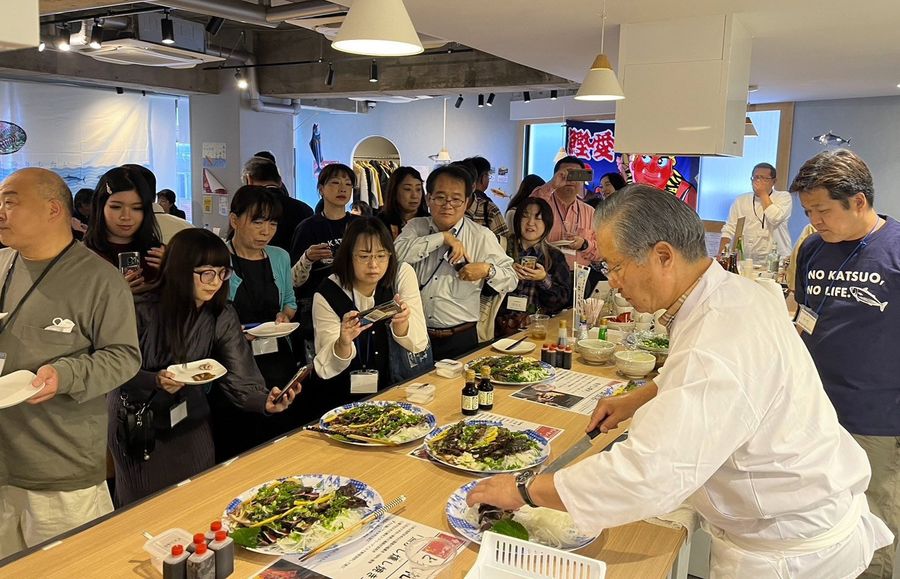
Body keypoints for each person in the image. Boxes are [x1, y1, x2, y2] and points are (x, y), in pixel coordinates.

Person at [468, 184, 892, 578]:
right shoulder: (738, 291)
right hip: (812, 514)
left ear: (664, 256)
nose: (612, 280)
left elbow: (648, 474)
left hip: (786, 549)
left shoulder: (716, 339)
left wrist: (524, 491)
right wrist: (641, 396)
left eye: (616, 266)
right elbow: (718, 374)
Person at [0, 168, 141, 558]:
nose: (0, 211)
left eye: (10, 201)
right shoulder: (2, 265)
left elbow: (124, 357)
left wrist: (63, 375)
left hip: (60, 471)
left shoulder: (99, 279)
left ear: (52, 210)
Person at [108, 229, 298, 506]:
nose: (216, 282)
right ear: (181, 269)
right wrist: (155, 380)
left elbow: (239, 371)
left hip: (190, 414)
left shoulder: (221, 313)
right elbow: (113, 368)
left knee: (200, 496)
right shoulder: (140, 308)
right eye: (206, 273)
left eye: (223, 273)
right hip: (139, 419)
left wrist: (264, 400)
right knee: (145, 506)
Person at [792, 149, 900, 579]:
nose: (814, 220)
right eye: (808, 211)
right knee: (819, 515)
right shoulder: (815, 247)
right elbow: (804, 315)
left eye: (821, 210)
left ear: (858, 201)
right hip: (814, 411)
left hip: (875, 416)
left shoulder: (894, 251)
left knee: (873, 520)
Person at [210, 185, 299, 460]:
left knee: (278, 440)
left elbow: (290, 302)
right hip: (234, 365)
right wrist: (233, 334)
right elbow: (207, 313)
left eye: (272, 223)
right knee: (239, 444)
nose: (266, 231)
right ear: (235, 220)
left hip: (276, 359)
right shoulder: (217, 257)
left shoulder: (280, 256)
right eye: (258, 221)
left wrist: (284, 317)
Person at [394, 165, 517, 360]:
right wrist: (443, 238)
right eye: (440, 197)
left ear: (467, 202)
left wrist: (487, 270)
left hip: (460, 338)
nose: (448, 204)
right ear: (428, 199)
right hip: (415, 334)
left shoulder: (481, 236)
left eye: (456, 199)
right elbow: (396, 255)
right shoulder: (416, 227)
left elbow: (511, 278)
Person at [310, 217, 428, 413]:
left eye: (381, 256)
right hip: (341, 400)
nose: (374, 265)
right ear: (348, 256)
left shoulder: (400, 275)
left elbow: (419, 343)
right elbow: (325, 366)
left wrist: (402, 325)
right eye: (364, 257)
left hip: (393, 391)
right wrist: (343, 343)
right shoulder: (327, 293)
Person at [289, 164, 359, 364]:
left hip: (353, 301)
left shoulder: (359, 225)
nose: (342, 189)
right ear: (321, 189)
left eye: (348, 184)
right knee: (323, 360)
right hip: (316, 303)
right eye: (335, 183)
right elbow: (293, 280)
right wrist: (308, 258)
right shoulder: (307, 228)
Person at [495, 198, 572, 338]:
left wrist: (543, 279)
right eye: (525, 216)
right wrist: (504, 272)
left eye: (539, 218)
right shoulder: (501, 248)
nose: (530, 223)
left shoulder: (554, 257)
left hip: (535, 330)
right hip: (496, 329)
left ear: (547, 224)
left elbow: (562, 300)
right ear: (517, 219)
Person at [84, 165, 165, 295]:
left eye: (137, 208)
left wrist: (173, 273)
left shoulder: (159, 255)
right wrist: (116, 294)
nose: (126, 216)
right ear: (100, 206)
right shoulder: (83, 256)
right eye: (116, 207)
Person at [529, 155, 598, 268]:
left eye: (575, 175)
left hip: (578, 277)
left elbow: (601, 251)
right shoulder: (544, 204)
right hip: (544, 274)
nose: (570, 180)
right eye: (565, 175)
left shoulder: (590, 212)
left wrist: (584, 244)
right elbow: (529, 208)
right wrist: (552, 184)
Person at [718, 163, 793, 260]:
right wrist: (722, 253)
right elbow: (730, 229)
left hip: (777, 259)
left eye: (764, 178)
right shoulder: (741, 200)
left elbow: (775, 218)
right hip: (748, 259)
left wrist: (762, 193)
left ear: (774, 181)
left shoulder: (783, 197)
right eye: (756, 177)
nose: (758, 181)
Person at [242, 156, 313, 253]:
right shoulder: (305, 209)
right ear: (280, 181)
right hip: (301, 265)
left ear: (249, 180)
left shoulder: (249, 208)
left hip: (260, 264)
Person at [460, 157, 509, 240]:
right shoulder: (490, 208)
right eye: (488, 175)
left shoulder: (489, 208)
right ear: (483, 177)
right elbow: (505, 241)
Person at [377, 166, 429, 239]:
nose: (414, 195)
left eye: (418, 189)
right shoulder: (379, 223)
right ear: (394, 191)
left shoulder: (429, 221)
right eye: (407, 189)